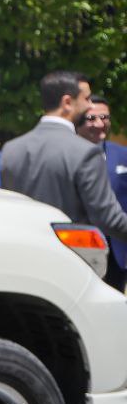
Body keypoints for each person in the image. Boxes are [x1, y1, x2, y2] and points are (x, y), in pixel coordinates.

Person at [1, 72, 127, 253]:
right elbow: (108, 219)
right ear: (67, 102)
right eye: (87, 98)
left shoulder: (11, 149)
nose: (90, 105)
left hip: (24, 255)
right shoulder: (86, 152)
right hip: (71, 261)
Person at [77, 96, 127, 290]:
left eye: (104, 117)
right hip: (80, 246)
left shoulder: (123, 155)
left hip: (117, 251)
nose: (99, 123)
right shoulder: (68, 155)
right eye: (91, 118)